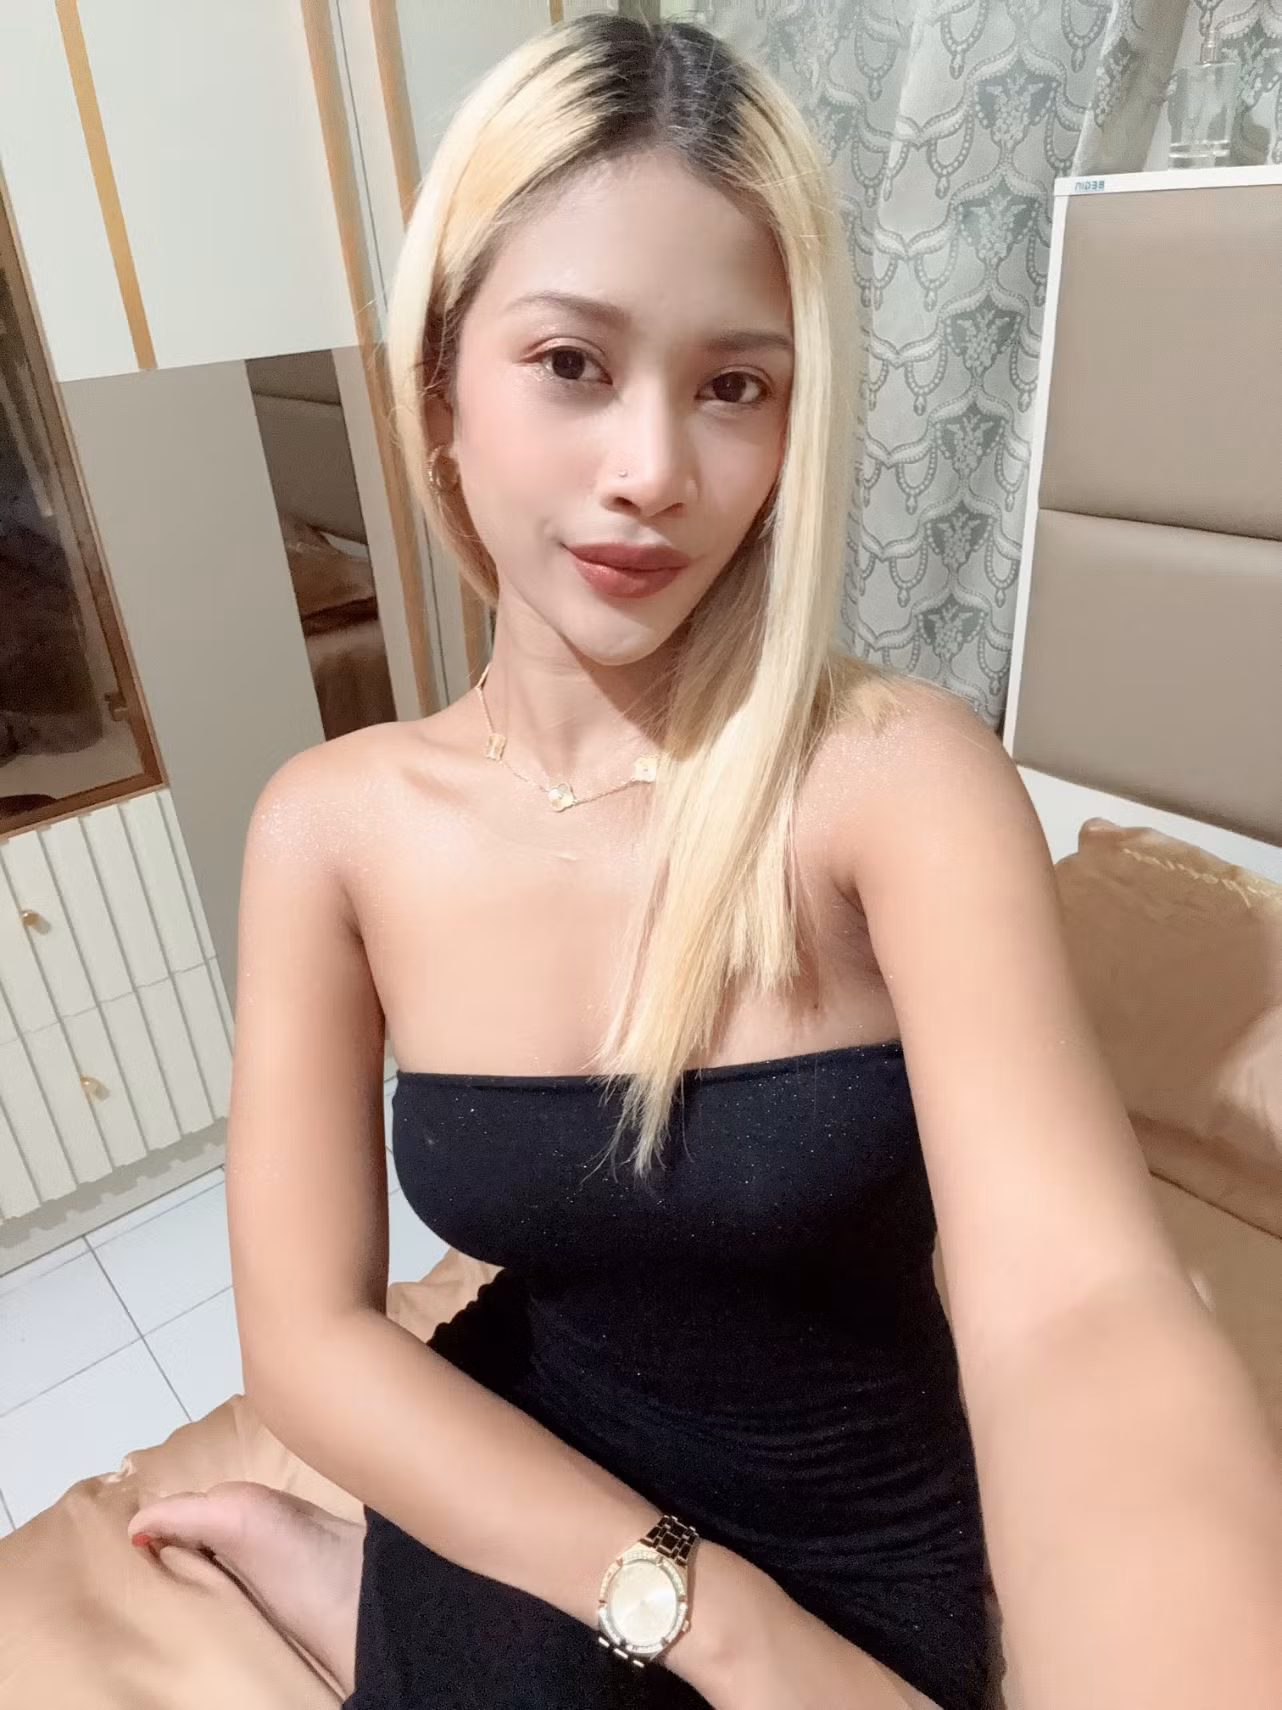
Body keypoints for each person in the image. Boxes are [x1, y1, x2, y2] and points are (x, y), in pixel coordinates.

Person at [128, 16, 1282, 1710]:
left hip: (852, 1521)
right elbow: (307, 1339)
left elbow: (1079, 1306)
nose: (654, 473)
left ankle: (350, 1590)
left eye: (733, 385)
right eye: (570, 363)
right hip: (533, 1486)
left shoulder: (892, 780)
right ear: (440, 386)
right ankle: (360, 1583)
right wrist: (719, 1623)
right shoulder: (330, 826)